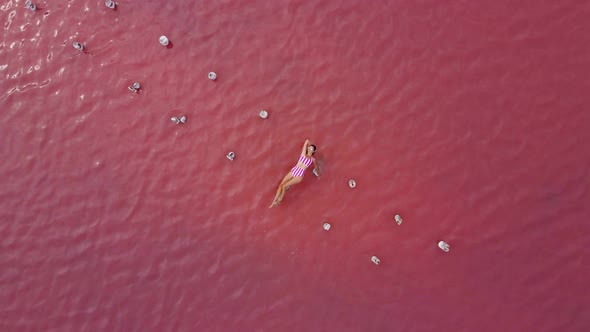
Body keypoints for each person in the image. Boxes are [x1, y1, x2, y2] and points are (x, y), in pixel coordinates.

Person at [269, 139, 320, 208]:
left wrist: (318, 174)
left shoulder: (312, 159)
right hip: (294, 170)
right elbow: (307, 141)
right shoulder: (303, 153)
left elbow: (316, 167)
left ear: (314, 151)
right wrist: (310, 145)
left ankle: (280, 200)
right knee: (281, 185)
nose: (310, 150)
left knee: (284, 186)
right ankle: (273, 202)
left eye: (311, 149)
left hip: (299, 175)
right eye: (309, 148)